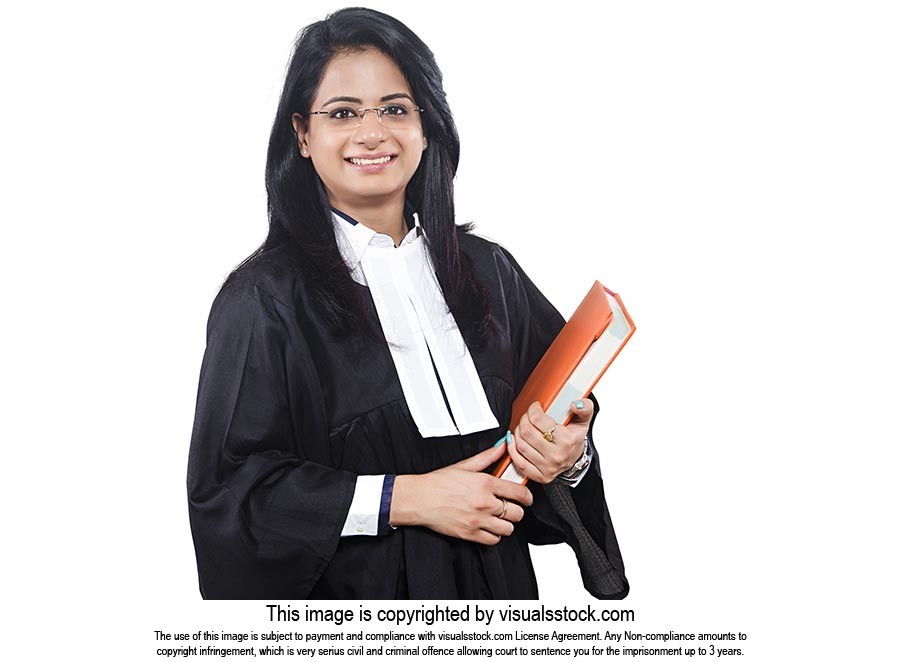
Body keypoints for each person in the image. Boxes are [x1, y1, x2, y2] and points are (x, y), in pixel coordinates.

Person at [187, 7, 628, 600]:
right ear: (302, 134)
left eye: (395, 109)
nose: (373, 133)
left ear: (427, 125)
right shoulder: (264, 301)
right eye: (343, 113)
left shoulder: (489, 271)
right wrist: (405, 498)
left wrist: (566, 454)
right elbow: (232, 493)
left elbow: (552, 425)